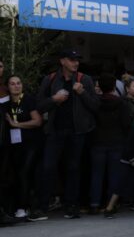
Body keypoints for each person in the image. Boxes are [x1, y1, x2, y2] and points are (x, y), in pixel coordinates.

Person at [36, 49, 99, 218]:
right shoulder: (49, 80)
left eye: (77, 59)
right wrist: (54, 100)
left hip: (77, 132)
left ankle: (72, 205)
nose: (75, 63)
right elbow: (39, 105)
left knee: (73, 168)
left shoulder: (84, 79)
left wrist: (82, 92)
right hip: (55, 131)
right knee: (48, 167)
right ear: (62, 61)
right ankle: (42, 206)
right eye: (72, 60)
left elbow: (95, 106)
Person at [89, 74, 133, 215]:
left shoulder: (95, 102)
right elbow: (127, 124)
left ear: (99, 87)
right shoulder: (122, 103)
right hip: (117, 141)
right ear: (114, 86)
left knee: (96, 174)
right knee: (114, 174)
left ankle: (94, 203)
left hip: (97, 141)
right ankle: (111, 204)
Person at [3, 75, 43, 219]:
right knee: (15, 175)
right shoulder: (6, 102)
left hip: (31, 143)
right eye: (12, 84)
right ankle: (15, 206)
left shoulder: (28, 100)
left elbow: (37, 121)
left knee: (24, 173)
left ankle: (23, 207)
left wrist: (17, 124)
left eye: (19, 83)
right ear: (7, 86)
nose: (16, 86)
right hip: (14, 145)